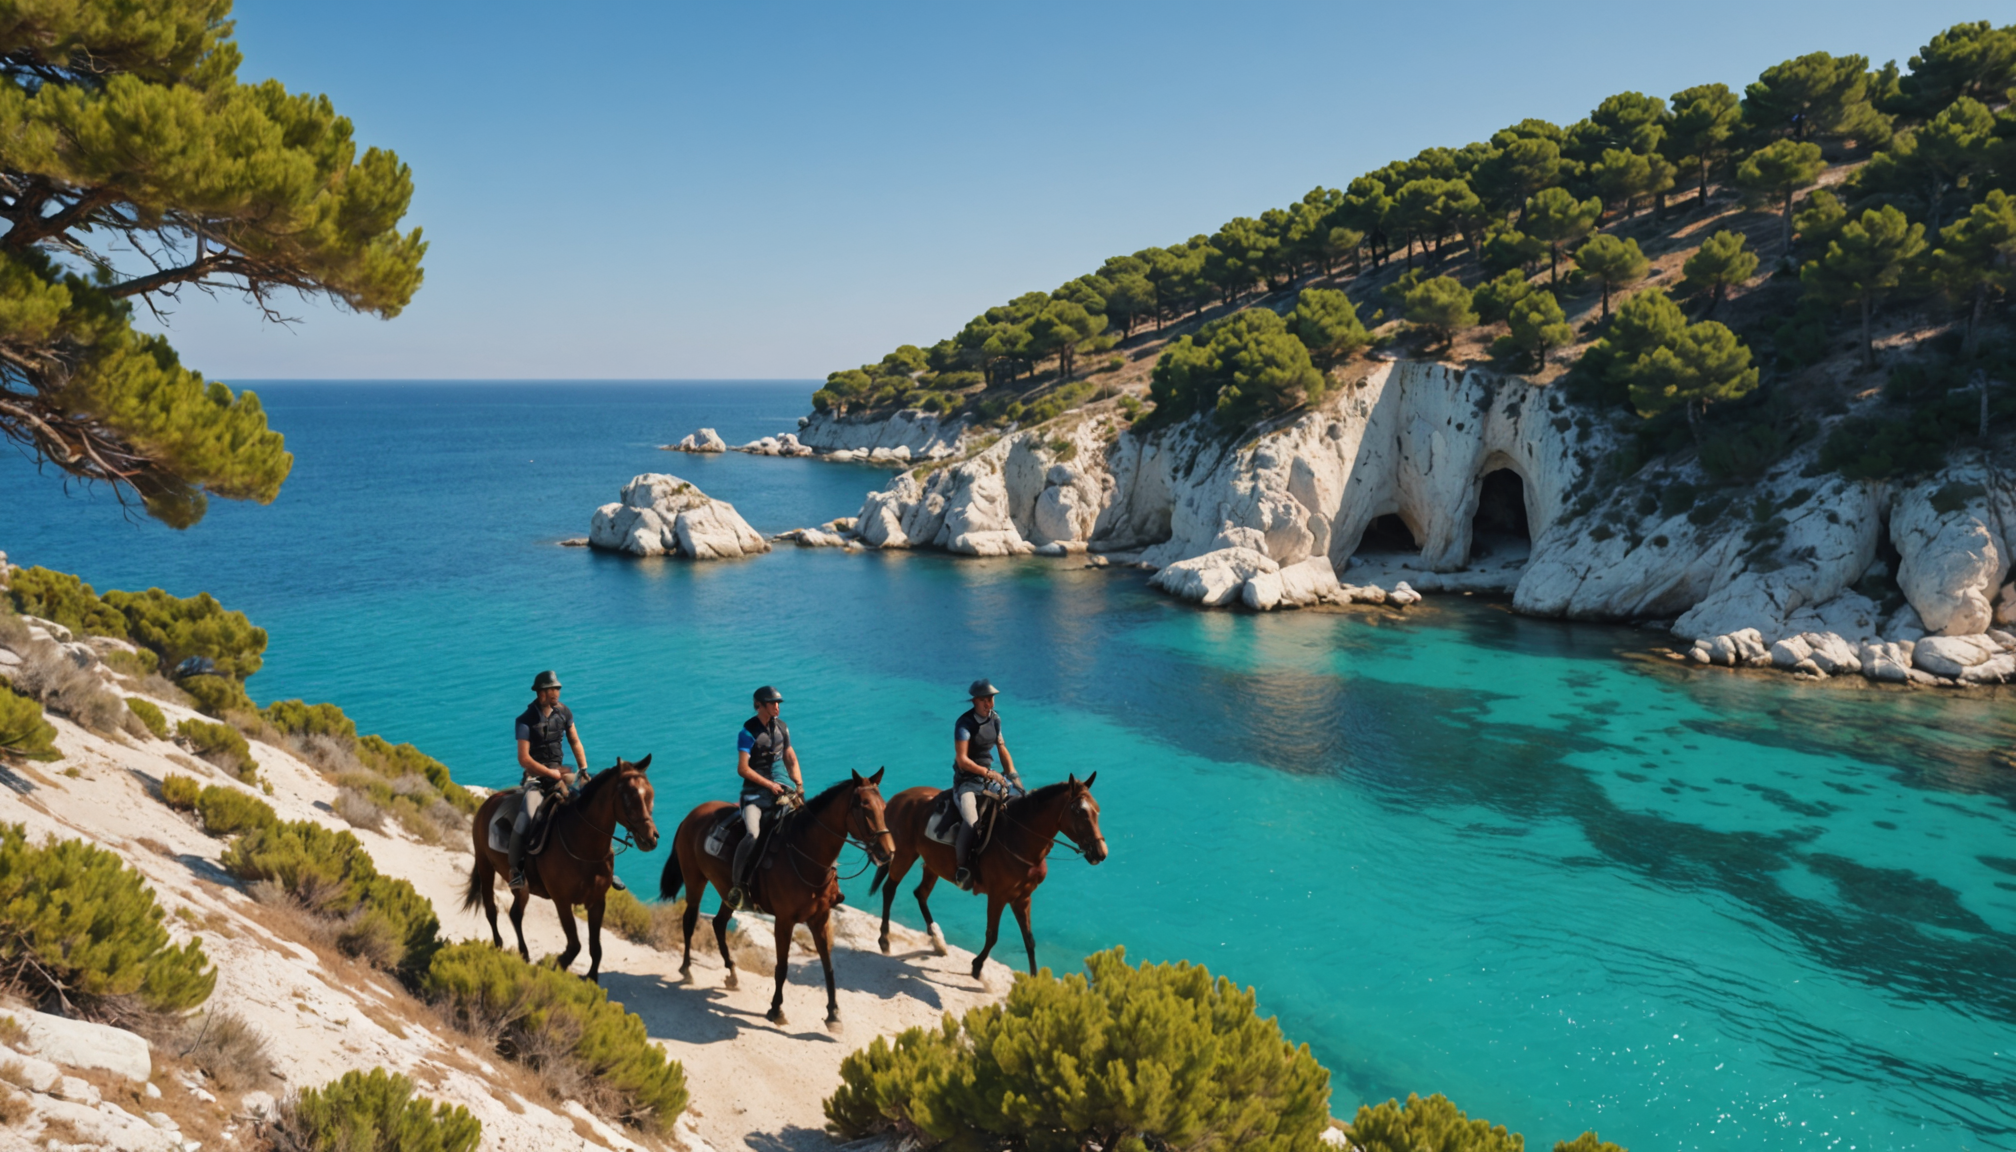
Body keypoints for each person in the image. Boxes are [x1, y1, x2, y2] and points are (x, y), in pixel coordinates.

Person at [727, 685, 804, 910]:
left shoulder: (782, 728)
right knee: (752, 834)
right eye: (772, 703)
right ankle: (737, 885)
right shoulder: (747, 732)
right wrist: (769, 785)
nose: (777, 707)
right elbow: (743, 768)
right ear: (760, 705)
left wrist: (798, 784)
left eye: (778, 703)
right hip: (753, 794)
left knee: (803, 824)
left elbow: (790, 756)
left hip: (778, 788)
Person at [510, 670, 585, 891]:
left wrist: (584, 768)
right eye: (552, 689)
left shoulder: (564, 713)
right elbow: (524, 758)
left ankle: (605, 862)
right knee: (526, 816)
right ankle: (515, 870)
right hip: (536, 777)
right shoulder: (524, 721)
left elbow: (575, 741)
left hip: (561, 772)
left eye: (558, 688)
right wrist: (548, 773)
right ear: (541, 692)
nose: (557, 693)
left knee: (593, 802)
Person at [951, 678, 1022, 891]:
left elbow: (1001, 747)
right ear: (974, 701)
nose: (989, 704)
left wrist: (1013, 775)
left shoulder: (995, 719)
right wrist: (989, 773)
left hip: (989, 779)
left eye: (991, 699)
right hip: (966, 783)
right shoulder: (964, 724)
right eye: (984, 700)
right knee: (971, 820)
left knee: (1015, 806)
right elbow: (962, 759)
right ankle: (962, 868)